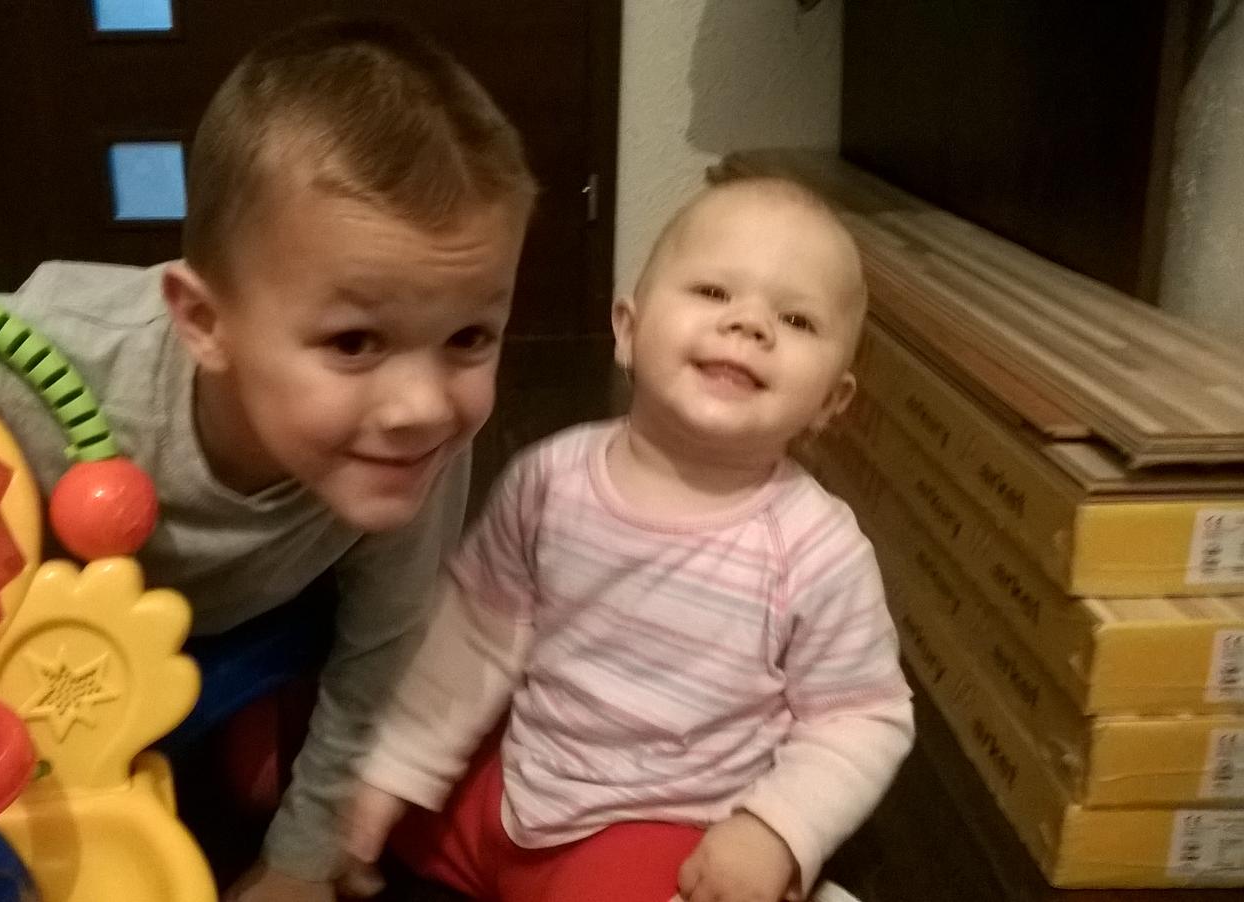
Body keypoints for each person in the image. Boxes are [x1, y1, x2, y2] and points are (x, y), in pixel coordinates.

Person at [0, 17, 535, 902]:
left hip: (231, 634)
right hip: (24, 651)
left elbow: (381, 645)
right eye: (353, 342)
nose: (425, 406)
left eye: (470, 336)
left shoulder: (406, 444)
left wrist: (300, 861)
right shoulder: (47, 359)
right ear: (203, 322)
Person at [344, 178, 915, 902]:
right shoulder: (549, 479)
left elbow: (861, 716)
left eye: (796, 319)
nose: (749, 325)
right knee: (311, 763)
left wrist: (776, 830)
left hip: (652, 826)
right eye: (713, 292)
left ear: (831, 400)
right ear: (627, 329)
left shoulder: (815, 551)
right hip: (516, 785)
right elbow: (474, 636)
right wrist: (390, 774)